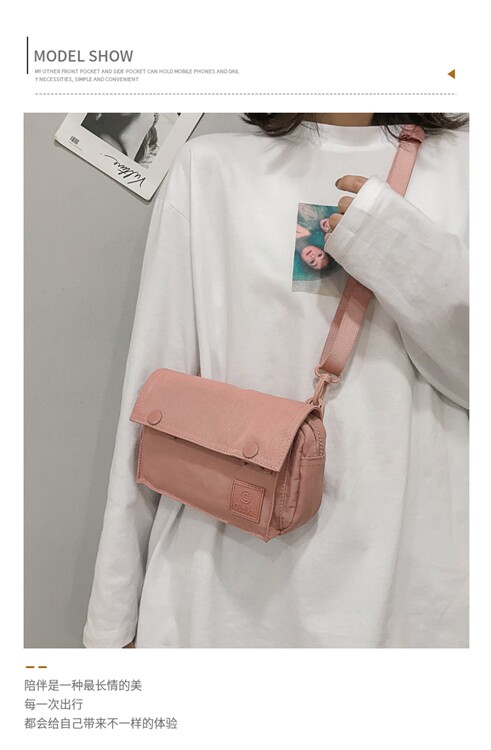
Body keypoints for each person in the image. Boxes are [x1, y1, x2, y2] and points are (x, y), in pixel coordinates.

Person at [83, 113, 469, 648]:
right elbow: (154, 394)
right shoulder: (211, 167)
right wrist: (112, 619)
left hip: (410, 599)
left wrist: (394, 245)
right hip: (217, 593)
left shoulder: (466, 166)